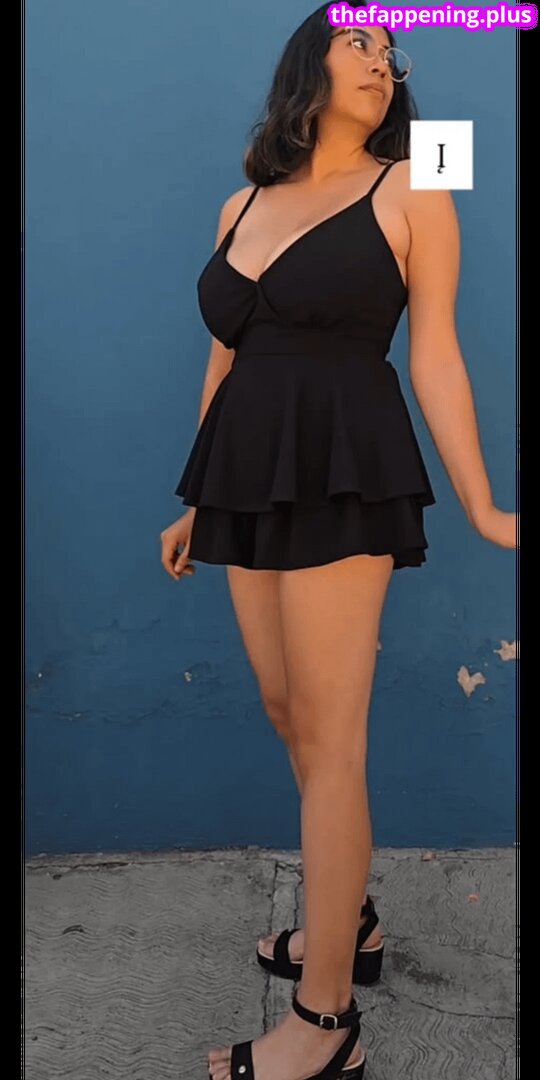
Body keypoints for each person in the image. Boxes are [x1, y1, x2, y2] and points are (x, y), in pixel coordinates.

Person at [160, 6, 517, 1079]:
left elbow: (436, 354)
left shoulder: (413, 184)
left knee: (330, 742)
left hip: (343, 465)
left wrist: (485, 504)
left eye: (390, 51)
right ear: (305, 65)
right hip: (242, 477)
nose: (380, 60)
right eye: (358, 40)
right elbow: (226, 356)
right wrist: (195, 498)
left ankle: (325, 1026)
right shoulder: (241, 201)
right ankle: (346, 920)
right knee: (289, 717)